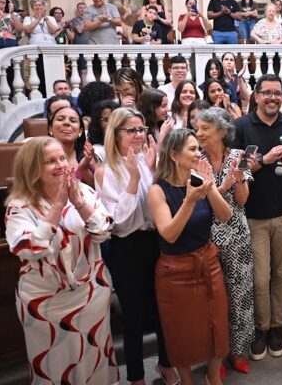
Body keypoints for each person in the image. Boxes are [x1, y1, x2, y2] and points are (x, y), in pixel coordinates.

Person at [5, 137, 118, 384]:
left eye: (61, 159)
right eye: (50, 161)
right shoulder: (19, 206)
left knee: (94, 358)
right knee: (53, 366)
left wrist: (77, 202)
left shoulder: (84, 192)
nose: (60, 165)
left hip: (91, 295)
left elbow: (103, 231)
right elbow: (29, 247)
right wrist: (57, 206)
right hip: (45, 301)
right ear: (32, 168)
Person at [94, 109, 177, 385]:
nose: (138, 135)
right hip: (126, 248)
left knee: (163, 309)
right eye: (131, 130)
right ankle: (136, 377)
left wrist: (150, 171)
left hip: (153, 242)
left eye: (141, 129)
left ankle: (166, 364)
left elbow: (152, 206)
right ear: (115, 133)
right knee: (133, 316)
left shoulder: (143, 161)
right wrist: (132, 181)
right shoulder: (105, 171)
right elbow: (117, 221)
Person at [148, 129, 232, 385]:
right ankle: (186, 380)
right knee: (181, 332)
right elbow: (169, 235)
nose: (199, 153)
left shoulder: (200, 179)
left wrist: (211, 189)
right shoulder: (157, 191)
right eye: (192, 149)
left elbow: (225, 215)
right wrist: (190, 201)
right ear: (174, 155)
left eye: (199, 148)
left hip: (208, 263)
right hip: (176, 272)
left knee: (217, 324)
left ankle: (212, 376)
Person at [233, 74, 282, 361]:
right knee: (260, 279)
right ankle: (260, 328)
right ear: (257, 96)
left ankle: (277, 326)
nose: (273, 98)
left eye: (278, 93)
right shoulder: (241, 127)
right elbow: (236, 173)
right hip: (255, 215)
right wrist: (264, 161)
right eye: (267, 93)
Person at [195, 108, 255, 375]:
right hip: (206, 238)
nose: (199, 134)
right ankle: (215, 357)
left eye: (204, 129)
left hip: (238, 237)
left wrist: (238, 179)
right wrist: (221, 187)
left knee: (240, 295)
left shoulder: (239, 156)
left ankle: (237, 351)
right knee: (212, 301)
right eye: (197, 129)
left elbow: (242, 200)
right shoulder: (195, 159)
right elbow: (195, 201)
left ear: (222, 131)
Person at [48, 105, 94, 186]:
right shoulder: (38, 156)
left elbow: (97, 190)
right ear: (50, 129)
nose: (67, 123)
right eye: (60, 119)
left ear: (80, 131)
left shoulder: (88, 157)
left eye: (73, 121)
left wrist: (84, 169)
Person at [87, 99, 119, 164]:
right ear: (98, 123)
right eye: (106, 119)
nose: (112, 122)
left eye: (115, 118)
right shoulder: (97, 151)